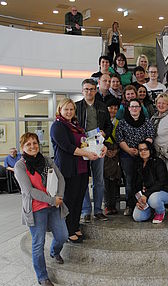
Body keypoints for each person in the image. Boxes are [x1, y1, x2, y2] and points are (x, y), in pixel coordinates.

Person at [14, 132, 69, 286]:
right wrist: (52, 199)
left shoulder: (45, 160)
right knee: (38, 243)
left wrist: (59, 196)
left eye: (35, 143)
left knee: (63, 236)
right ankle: (42, 277)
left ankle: (54, 252)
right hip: (36, 208)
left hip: (53, 206)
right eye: (28, 144)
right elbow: (29, 191)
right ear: (23, 147)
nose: (32, 146)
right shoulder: (20, 166)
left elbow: (61, 178)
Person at [50, 98, 102, 243]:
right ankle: (68, 230)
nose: (69, 112)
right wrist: (87, 154)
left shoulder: (76, 125)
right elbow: (67, 147)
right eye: (66, 109)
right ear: (59, 110)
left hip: (82, 168)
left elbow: (84, 143)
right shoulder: (57, 126)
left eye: (71, 109)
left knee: (79, 199)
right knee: (69, 200)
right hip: (68, 170)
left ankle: (75, 226)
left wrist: (98, 148)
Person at [76, 79, 112, 223]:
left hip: (97, 145)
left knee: (99, 180)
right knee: (83, 180)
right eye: (86, 89)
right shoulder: (76, 107)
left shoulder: (102, 107)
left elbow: (109, 126)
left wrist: (105, 134)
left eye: (92, 89)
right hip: (83, 146)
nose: (89, 92)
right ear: (82, 91)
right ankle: (86, 211)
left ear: (96, 90)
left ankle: (98, 210)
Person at [116, 99, 155, 216]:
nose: (134, 108)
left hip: (143, 155)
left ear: (140, 108)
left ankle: (145, 204)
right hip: (127, 155)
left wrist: (141, 150)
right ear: (128, 108)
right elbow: (119, 138)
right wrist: (128, 150)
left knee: (144, 179)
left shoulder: (147, 122)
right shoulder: (122, 122)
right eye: (132, 106)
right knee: (129, 181)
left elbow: (150, 137)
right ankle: (130, 205)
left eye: (136, 106)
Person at [132, 141, 168, 223]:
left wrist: (146, 195)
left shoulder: (158, 162)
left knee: (153, 199)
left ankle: (160, 212)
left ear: (150, 150)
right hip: (146, 195)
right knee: (137, 217)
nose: (143, 152)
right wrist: (137, 201)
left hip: (164, 192)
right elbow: (135, 185)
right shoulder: (138, 164)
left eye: (145, 149)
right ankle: (152, 210)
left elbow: (162, 182)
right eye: (140, 150)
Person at [103, 97, 121, 215]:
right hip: (105, 152)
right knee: (105, 180)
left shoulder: (119, 122)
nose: (113, 110)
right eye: (111, 108)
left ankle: (113, 205)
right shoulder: (103, 121)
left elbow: (122, 138)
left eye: (116, 108)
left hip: (116, 153)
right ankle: (107, 205)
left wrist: (117, 150)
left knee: (114, 179)